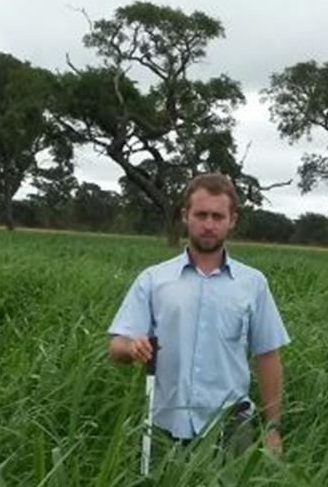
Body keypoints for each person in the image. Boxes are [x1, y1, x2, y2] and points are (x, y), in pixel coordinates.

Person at [107, 172, 289, 455]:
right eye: (201, 214)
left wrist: (273, 428)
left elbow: (267, 356)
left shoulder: (253, 283)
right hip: (165, 426)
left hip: (233, 427)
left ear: (232, 220)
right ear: (185, 215)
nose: (208, 225)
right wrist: (132, 347)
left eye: (217, 217)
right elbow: (116, 347)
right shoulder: (154, 280)